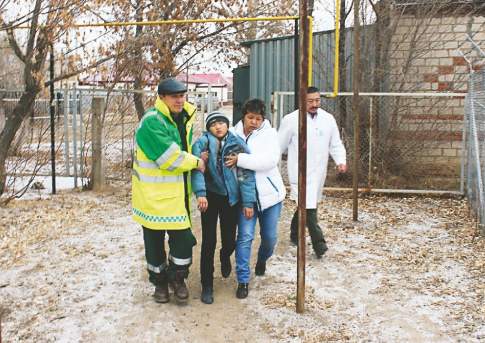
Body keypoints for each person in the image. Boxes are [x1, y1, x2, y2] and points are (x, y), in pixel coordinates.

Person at [132, 78, 206, 304]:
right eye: (175, 96)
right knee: (154, 245)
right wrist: (196, 162)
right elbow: (169, 157)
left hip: (177, 195)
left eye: (182, 95)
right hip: (152, 197)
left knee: (183, 241)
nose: (180, 100)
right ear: (162, 97)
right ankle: (160, 283)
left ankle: (177, 279)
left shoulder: (183, 117)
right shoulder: (152, 122)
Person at [192, 111, 256, 304]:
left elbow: (246, 174)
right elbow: (197, 170)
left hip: (231, 198)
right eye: (213, 124)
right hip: (210, 197)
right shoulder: (201, 143)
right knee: (209, 241)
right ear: (208, 127)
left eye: (221, 123)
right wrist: (201, 193)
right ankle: (207, 285)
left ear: (227, 125)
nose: (218, 127)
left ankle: (225, 254)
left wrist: (247, 202)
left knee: (229, 240)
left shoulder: (237, 143)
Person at [225, 98, 286, 299]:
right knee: (244, 238)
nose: (254, 122)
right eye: (250, 117)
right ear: (244, 116)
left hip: (271, 197)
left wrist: (240, 160)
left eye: (258, 119)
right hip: (246, 199)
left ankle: (262, 259)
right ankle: (243, 280)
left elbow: (269, 161)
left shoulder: (269, 134)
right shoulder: (232, 134)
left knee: (269, 238)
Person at [278, 86, 347, 257]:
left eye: (317, 100)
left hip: (318, 172)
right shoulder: (291, 119)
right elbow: (279, 145)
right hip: (299, 172)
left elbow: (335, 143)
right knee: (309, 208)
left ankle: (294, 233)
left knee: (306, 205)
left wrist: (340, 161)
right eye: (310, 101)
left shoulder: (328, 119)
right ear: (302, 101)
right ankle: (319, 244)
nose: (315, 104)